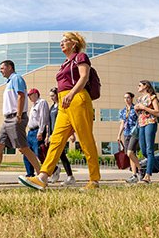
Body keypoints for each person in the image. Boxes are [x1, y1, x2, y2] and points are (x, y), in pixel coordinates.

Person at [18, 32, 101, 190]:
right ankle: (42, 177)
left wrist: (71, 93)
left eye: (65, 41)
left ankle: (94, 180)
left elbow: (84, 77)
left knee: (85, 139)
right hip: (64, 102)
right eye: (61, 41)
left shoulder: (80, 57)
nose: (61, 44)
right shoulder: (64, 63)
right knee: (56, 139)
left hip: (77, 98)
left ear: (74, 44)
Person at [0, 60, 43, 189]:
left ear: (10, 67)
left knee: (23, 148)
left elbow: (21, 96)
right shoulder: (8, 83)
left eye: (2, 68)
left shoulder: (16, 78)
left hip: (15, 118)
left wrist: (18, 115)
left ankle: (41, 176)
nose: (0, 70)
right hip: (7, 119)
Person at [46, 87, 76, 185]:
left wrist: (72, 134)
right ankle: (58, 173)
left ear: (57, 94)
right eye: (50, 96)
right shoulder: (52, 107)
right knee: (59, 155)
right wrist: (48, 135)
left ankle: (68, 176)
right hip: (54, 134)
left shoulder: (62, 105)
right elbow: (50, 122)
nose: (52, 98)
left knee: (61, 155)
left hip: (62, 134)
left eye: (53, 95)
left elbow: (69, 119)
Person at [135, 80, 159, 184]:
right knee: (144, 151)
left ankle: (148, 175)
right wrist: (137, 110)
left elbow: (158, 113)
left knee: (150, 149)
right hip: (141, 124)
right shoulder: (139, 99)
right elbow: (140, 113)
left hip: (151, 122)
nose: (138, 87)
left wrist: (143, 107)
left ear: (146, 86)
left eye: (139, 85)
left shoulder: (152, 97)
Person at [25, 88, 50, 177]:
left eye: (30, 95)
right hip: (30, 132)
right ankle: (30, 174)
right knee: (27, 152)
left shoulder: (42, 102)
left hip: (37, 131)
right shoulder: (33, 106)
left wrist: (41, 132)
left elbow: (43, 118)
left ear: (35, 94)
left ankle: (53, 170)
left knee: (39, 153)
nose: (29, 97)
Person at [118, 92, 140, 184]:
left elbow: (140, 119)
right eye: (125, 98)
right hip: (126, 133)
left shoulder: (135, 108)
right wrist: (119, 135)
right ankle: (134, 175)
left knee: (130, 152)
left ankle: (141, 169)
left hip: (134, 133)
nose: (126, 99)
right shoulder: (123, 111)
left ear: (131, 98)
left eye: (128, 97)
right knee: (130, 154)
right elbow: (122, 123)